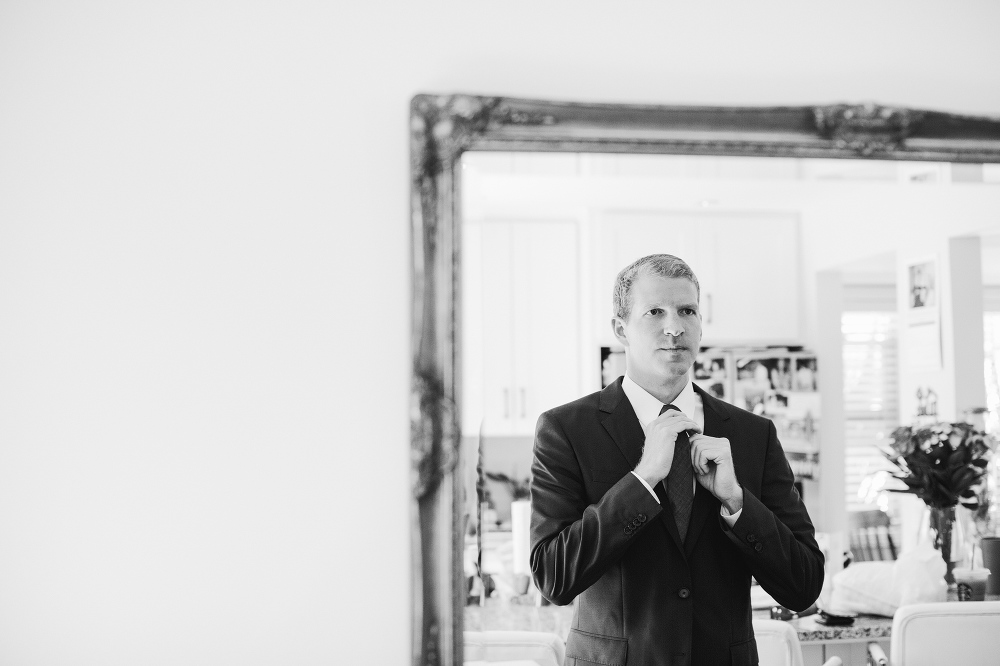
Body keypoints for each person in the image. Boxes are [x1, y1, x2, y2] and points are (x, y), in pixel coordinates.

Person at [529, 254, 824, 666]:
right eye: (655, 312)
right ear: (621, 329)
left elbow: (805, 585)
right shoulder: (566, 430)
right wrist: (643, 480)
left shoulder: (752, 435)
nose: (675, 327)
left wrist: (738, 504)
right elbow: (553, 578)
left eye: (688, 310)